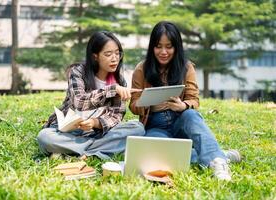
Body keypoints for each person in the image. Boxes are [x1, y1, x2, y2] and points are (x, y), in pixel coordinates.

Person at [129, 21, 241, 181]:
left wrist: (183, 106)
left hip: (180, 121)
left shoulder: (186, 67)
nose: (163, 52)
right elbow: (133, 105)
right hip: (156, 126)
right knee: (161, 156)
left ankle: (218, 163)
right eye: (158, 46)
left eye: (169, 47)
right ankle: (219, 154)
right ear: (152, 47)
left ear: (177, 47)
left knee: (191, 115)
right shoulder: (142, 69)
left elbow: (194, 99)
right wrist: (144, 103)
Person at [37, 31, 145, 160]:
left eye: (117, 53)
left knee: (137, 128)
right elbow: (80, 102)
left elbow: (117, 116)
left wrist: (95, 123)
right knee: (45, 137)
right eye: (108, 54)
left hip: (97, 133)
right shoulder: (78, 72)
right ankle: (98, 151)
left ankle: (77, 152)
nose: (115, 58)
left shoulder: (119, 81)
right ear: (95, 56)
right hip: (69, 131)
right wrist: (112, 90)